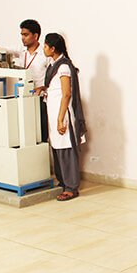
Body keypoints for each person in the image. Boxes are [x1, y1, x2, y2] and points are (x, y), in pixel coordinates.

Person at [41, 33, 87, 201]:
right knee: (57, 148)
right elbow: (54, 88)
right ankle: (63, 182)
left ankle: (71, 187)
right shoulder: (53, 65)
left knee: (66, 148)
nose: (43, 48)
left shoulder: (64, 67)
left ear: (53, 49)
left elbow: (66, 94)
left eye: (45, 46)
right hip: (53, 112)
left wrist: (61, 119)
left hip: (63, 113)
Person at [0, 19, 49, 142]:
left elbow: (52, 76)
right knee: (25, 133)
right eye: (21, 34)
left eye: (26, 35)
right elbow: (3, 50)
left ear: (35, 36)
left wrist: (44, 88)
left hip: (39, 98)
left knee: (41, 134)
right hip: (22, 97)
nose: (23, 38)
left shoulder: (45, 54)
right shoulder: (21, 51)